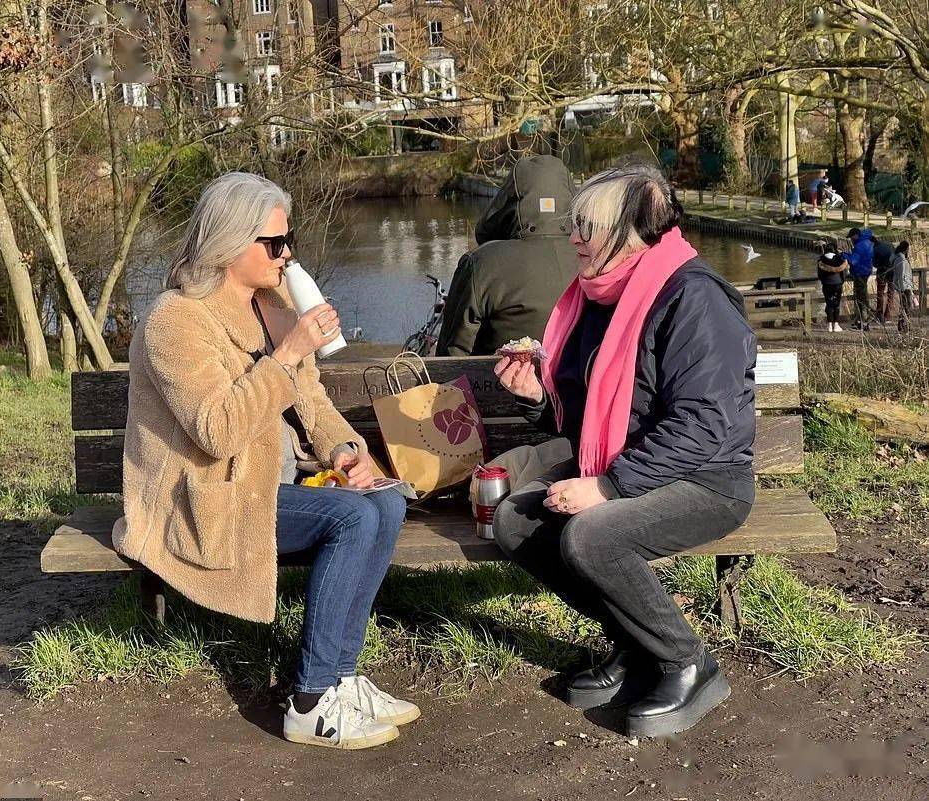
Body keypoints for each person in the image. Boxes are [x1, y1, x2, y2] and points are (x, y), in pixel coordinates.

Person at [114, 172, 416, 751]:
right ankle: (309, 700)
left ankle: (341, 679)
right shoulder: (175, 320)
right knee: (351, 519)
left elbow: (313, 401)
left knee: (383, 499)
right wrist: (289, 353)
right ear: (230, 244)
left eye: (289, 240)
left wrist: (348, 452)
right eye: (275, 244)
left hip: (268, 486)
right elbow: (217, 432)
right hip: (204, 498)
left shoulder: (270, 305)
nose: (287, 255)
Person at [491, 161, 756, 738]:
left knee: (593, 533)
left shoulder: (696, 298)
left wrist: (609, 487)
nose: (574, 236)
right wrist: (540, 395)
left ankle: (689, 663)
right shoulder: (599, 297)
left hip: (707, 479)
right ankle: (635, 644)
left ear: (629, 234)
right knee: (514, 518)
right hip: (630, 466)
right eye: (574, 223)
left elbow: (705, 424)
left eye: (588, 225)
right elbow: (598, 413)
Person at [436, 155, 577, 356]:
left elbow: (451, 355)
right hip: (581, 386)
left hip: (498, 385)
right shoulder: (596, 258)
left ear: (510, 198)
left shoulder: (482, 264)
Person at [843, 227, 874, 329]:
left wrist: (844, 255)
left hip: (860, 272)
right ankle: (861, 321)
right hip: (866, 271)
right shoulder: (867, 242)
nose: (851, 240)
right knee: (863, 296)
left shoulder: (859, 246)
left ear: (855, 236)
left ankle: (862, 322)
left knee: (860, 298)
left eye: (851, 238)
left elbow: (854, 261)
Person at [816, 243, 847, 332]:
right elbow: (844, 273)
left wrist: (824, 281)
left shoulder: (821, 260)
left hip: (826, 284)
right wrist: (841, 281)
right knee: (836, 304)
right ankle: (836, 324)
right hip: (837, 283)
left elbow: (819, 275)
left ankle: (829, 325)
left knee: (828, 303)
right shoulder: (840, 260)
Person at [873, 235, 896, 323]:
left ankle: (880, 315)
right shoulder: (889, 244)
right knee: (891, 293)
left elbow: (875, 264)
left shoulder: (875, 250)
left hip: (882, 272)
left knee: (880, 293)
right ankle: (888, 315)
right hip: (892, 271)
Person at [893, 240, 914, 332]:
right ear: (906, 249)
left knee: (904, 307)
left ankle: (902, 325)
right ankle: (904, 326)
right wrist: (902, 289)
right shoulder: (901, 260)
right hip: (905, 287)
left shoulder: (898, 258)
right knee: (906, 307)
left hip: (904, 286)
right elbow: (901, 275)